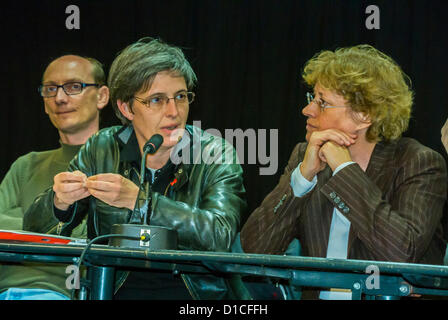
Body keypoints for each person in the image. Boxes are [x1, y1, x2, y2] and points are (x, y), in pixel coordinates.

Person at [23, 37, 247, 300]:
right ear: (126, 107)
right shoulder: (102, 148)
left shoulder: (215, 153)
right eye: (156, 100)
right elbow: (34, 229)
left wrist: (140, 202)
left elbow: (220, 234)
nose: (174, 111)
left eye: (181, 97)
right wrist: (59, 202)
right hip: (112, 292)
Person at [240, 45, 447, 299]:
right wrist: (302, 178)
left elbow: (400, 253)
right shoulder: (305, 157)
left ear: (364, 115)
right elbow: (254, 249)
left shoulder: (418, 163)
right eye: (312, 99)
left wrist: (345, 170)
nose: (308, 110)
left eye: (323, 102)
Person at [0, 55, 109, 299]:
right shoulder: (26, 165)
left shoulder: (118, 165)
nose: (60, 98)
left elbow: (103, 239)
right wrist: (55, 230)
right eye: (51, 89)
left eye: (73, 86)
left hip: (59, 293)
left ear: (102, 96)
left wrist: (19, 220)